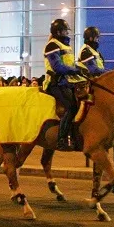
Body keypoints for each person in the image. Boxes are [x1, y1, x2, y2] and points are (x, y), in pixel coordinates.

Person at [43, 18, 85, 151]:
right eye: (65, 30)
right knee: (71, 106)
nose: (67, 33)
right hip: (56, 83)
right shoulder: (52, 45)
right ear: (59, 32)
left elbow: (69, 65)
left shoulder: (66, 46)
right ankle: (61, 139)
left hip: (67, 82)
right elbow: (58, 67)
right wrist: (76, 70)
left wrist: (81, 70)